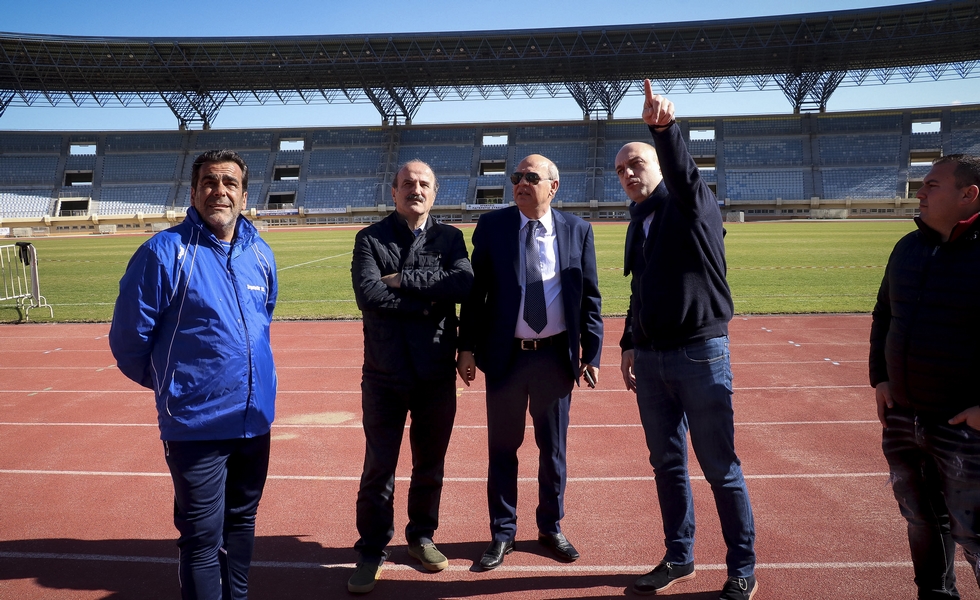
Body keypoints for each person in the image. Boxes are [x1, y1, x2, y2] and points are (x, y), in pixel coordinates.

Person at [108, 150, 277, 600]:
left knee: (242, 524)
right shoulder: (163, 252)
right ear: (194, 192)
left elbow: (262, 321)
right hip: (195, 425)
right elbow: (128, 340)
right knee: (202, 538)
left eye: (230, 183)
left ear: (244, 195)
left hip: (254, 420)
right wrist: (178, 385)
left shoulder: (260, 253)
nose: (219, 191)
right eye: (209, 182)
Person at [614, 81, 757, 600]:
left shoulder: (692, 205)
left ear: (660, 167)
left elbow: (685, 177)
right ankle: (679, 556)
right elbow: (640, 286)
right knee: (667, 465)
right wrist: (629, 341)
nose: (628, 174)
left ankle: (742, 567)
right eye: (620, 170)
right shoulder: (638, 223)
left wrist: (664, 131)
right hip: (652, 362)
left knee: (720, 468)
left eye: (637, 164)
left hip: (700, 354)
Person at [457, 153, 603, 570]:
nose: (521, 182)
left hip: (555, 358)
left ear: (553, 186)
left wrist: (591, 352)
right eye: (516, 176)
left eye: (531, 177)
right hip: (506, 358)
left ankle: (550, 527)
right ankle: (503, 532)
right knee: (503, 449)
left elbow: (589, 297)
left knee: (553, 451)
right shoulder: (493, 226)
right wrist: (466, 347)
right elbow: (475, 295)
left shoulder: (577, 230)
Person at [348, 160, 474, 594]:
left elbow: (463, 285)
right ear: (394, 191)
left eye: (423, 184)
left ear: (434, 192)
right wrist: (428, 301)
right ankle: (371, 548)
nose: (414, 190)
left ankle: (421, 536)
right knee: (378, 467)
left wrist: (404, 279)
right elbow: (368, 294)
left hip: (436, 373)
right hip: (384, 373)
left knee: (430, 465)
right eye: (407, 184)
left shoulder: (450, 238)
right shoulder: (370, 238)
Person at [870, 154, 980, 600]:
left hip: (964, 425)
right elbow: (884, 314)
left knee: (975, 533)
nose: (920, 193)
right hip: (904, 416)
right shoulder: (907, 247)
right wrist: (880, 378)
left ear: (968, 194)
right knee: (921, 519)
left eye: (933, 185)